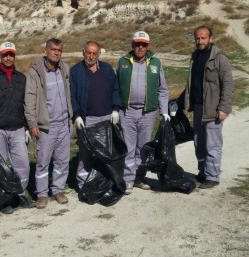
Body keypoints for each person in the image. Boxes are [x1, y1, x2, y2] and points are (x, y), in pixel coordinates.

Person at [0, 42, 35, 213]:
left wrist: (26, 127)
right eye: (5, 55)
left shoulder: (21, 78)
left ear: (14, 56)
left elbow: (26, 105)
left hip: (17, 128)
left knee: (23, 165)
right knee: (0, 167)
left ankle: (20, 193)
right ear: (0, 57)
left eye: (11, 54)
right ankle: (2, 199)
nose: (8, 57)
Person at [116, 31, 169, 193]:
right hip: (128, 112)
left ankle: (139, 178)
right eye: (138, 44)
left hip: (148, 113)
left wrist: (164, 111)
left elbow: (162, 89)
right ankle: (128, 180)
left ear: (148, 46)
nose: (140, 47)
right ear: (132, 45)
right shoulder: (123, 62)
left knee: (143, 147)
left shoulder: (155, 63)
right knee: (129, 147)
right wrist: (115, 109)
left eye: (144, 45)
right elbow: (115, 87)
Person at [183, 25, 234, 189]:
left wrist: (224, 108)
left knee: (212, 144)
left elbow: (228, 85)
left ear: (211, 39)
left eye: (203, 38)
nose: (200, 41)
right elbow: (193, 82)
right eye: (197, 38)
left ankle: (213, 176)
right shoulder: (195, 56)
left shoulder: (219, 58)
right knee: (199, 142)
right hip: (198, 107)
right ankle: (203, 172)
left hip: (213, 108)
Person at [24, 38, 73, 209]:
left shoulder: (64, 69)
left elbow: (69, 94)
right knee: (43, 161)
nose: (56, 53)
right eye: (53, 49)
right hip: (46, 126)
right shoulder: (36, 71)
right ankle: (42, 194)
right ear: (46, 51)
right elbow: (29, 98)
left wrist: (71, 117)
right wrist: (32, 122)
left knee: (62, 160)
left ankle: (58, 190)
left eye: (59, 50)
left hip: (64, 124)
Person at [70, 40, 121, 190]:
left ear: (99, 54)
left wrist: (115, 109)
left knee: (107, 152)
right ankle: (83, 184)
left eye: (94, 53)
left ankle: (107, 181)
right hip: (87, 119)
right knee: (85, 154)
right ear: (83, 52)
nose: (91, 56)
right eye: (88, 53)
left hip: (106, 118)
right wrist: (77, 115)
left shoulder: (106, 69)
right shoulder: (76, 71)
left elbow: (115, 90)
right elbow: (72, 96)